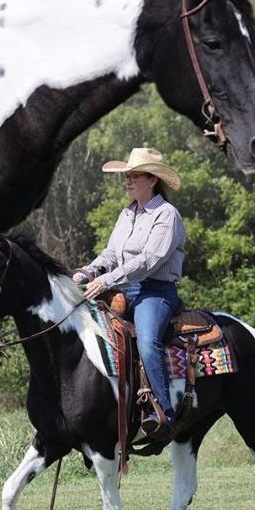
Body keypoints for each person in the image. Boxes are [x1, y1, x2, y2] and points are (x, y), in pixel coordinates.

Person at [73, 147, 186, 439]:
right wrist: (88, 272)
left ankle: (163, 412)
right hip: (123, 287)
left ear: (153, 179)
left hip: (156, 291)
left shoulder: (166, 215)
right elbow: (111, 253)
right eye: (127, 175)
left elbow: (149, 260)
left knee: (148, 341)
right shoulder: (127, 213)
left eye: (135, 175)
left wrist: (107, 281)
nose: (128, 180)